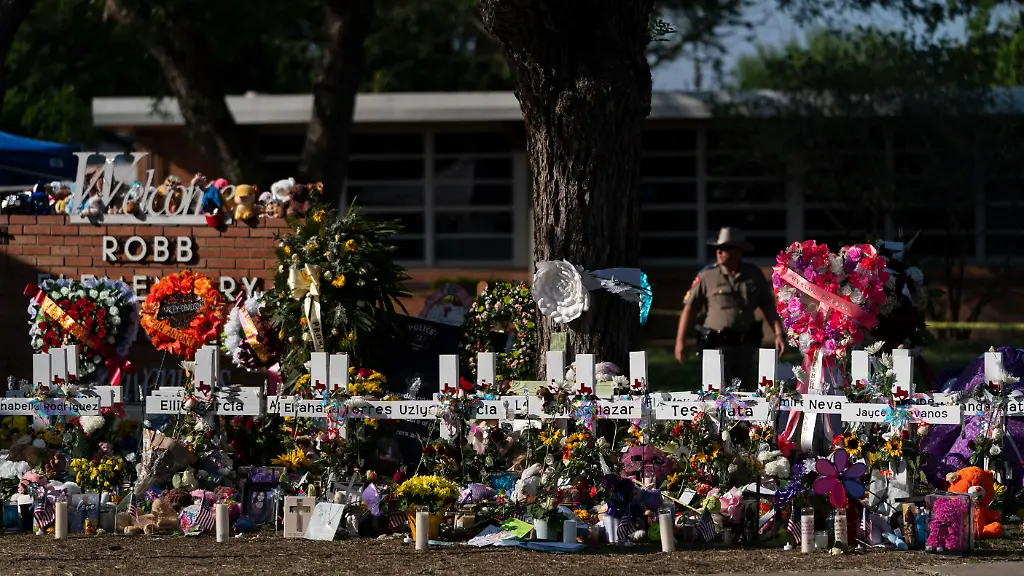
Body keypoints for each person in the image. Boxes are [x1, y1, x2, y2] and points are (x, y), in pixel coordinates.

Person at [674, 227, 785, 389]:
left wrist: (779, 333)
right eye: (718, 248)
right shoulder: (707, 276)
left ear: (738, 250)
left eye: (725, 248)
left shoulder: (753, 275)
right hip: (716, 345)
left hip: (745, 345)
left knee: (746, 392)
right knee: (718, 393)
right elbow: (689, 308)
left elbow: (767, 306)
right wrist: (680, 342)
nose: (719, 252)